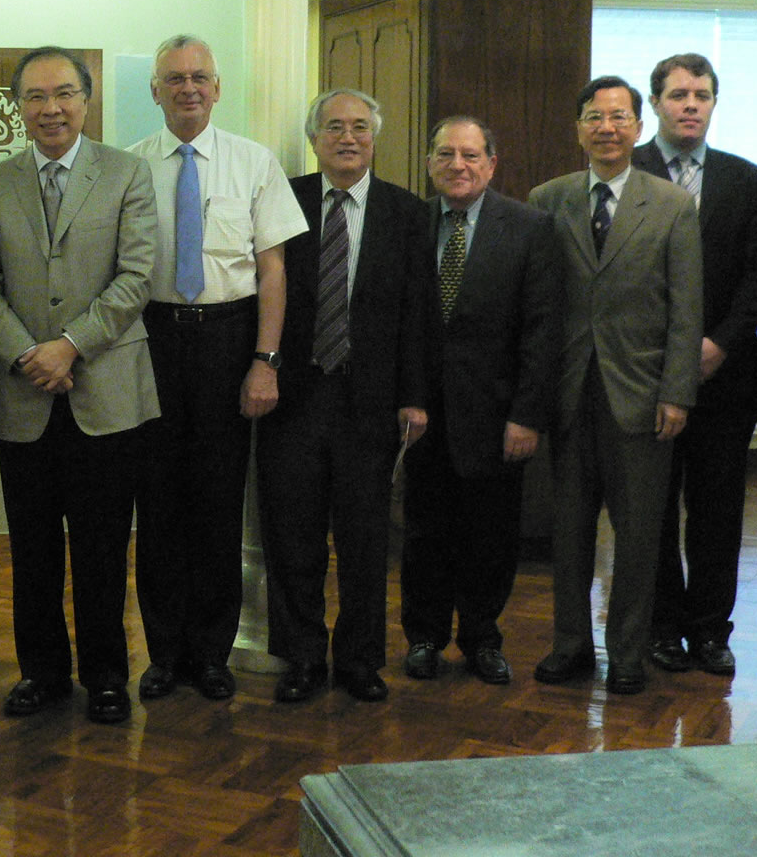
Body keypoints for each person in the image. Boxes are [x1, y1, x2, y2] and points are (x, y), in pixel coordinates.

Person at [0, 45, 159, 726]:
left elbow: (136, 276)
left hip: (106, 390)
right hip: (24, 394)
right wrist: (27, 353)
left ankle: (107, 675)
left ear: (86, 98)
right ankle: (41, 673)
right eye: (36, 97)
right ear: (17, 106)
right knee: (34, 549)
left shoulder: (127, 173)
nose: (51, 108)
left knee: (104, 547)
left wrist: (70, 345)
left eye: (65, 94)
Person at [126, 34, 306, 701]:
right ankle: (163, 652)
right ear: (155, 91)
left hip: (229, 338)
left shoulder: (253, 163)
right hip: (153, 337)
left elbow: (273, 271)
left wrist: (265, 361)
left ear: (218, 87)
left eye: (200, 76)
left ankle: (210, 653)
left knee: (217, 501)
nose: (188, 88)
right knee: (159, 500)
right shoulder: (130, 166)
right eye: (174, 78)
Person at [527, 76, 702, 695]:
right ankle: (570, 645)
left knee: (640, 536)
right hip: (569, 394)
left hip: (645, 396)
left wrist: (677, 393)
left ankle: (628, 653)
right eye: (594, 117)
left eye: (619, 117)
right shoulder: (547, 199)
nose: (607, 127)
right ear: (578, 129)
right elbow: (537, 305)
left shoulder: (674, 204)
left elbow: (687, 309)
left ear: (637, 126)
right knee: (569, 533)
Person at [256, 89, 429, 704]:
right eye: (334, 127)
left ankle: (359, 660)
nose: (347, 137)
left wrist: (414, 398)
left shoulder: (407, 213)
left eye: (359, 127)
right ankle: (301, 657)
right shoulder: (284, 201)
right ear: (315, 138)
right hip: (293, 398)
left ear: (374, 138)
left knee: (364, 540)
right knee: (292, 535)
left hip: (371, 402)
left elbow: (418, 314)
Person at [400, 116, 558, 686]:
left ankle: (482, 637)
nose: (457, 166)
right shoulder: (410, 224)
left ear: (491, 164)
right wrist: (409, 398)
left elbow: (542, 331)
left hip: (497, 418)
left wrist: (526, 415)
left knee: (490, 535)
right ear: (429, 162)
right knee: (423, 533)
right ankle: (423, 638)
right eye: (445, 154)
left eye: (470, 156)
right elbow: (402, 324)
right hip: (422, 418)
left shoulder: (530, 228)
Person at [633, 54, 757, 678]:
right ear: (656, 103)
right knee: (653, 510)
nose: (691, 105)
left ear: (715, 104)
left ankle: (711, 631)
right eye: (679, 94)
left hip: (723, 376)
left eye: (703, 95)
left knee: (717, 512)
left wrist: (720, 344)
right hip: (643, 373)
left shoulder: (747, 179)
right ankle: (661, 629)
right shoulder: (624, 169)